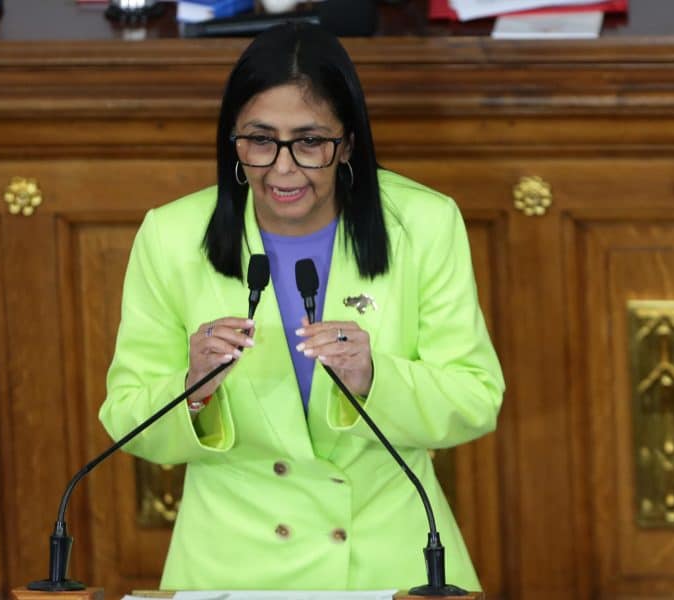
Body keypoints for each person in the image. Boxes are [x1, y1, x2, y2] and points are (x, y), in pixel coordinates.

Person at [99, 22, 505, 592]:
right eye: (260, 140)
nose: (283, 168)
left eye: (310, 141)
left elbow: (476, 398)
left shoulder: (424, 224)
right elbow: (125, 420)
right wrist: (190, 389)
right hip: (230, 568)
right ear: (232, 142)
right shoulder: (171, 237)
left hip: (391, 562)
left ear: (349, 145)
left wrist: (374, 379)